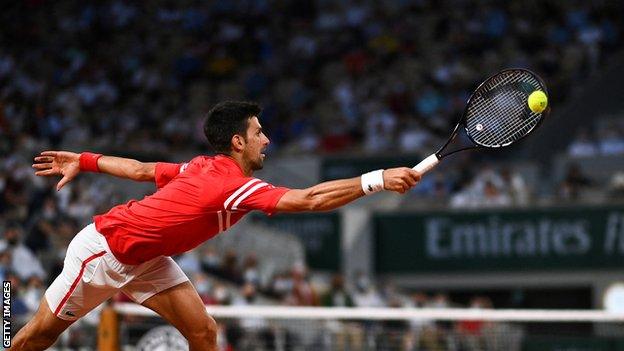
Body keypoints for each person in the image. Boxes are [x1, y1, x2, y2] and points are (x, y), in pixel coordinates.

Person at [13, 101, 421, 351]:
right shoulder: (230, 185)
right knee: (36, 339)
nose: (268, 140)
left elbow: (141, 169)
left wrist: (85, 161)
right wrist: (378, 179)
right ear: (238, 143)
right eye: (259, 133)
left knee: (203, 333)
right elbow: (310, 199)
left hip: (149, 260)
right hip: (104, 251)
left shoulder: (203, 166)